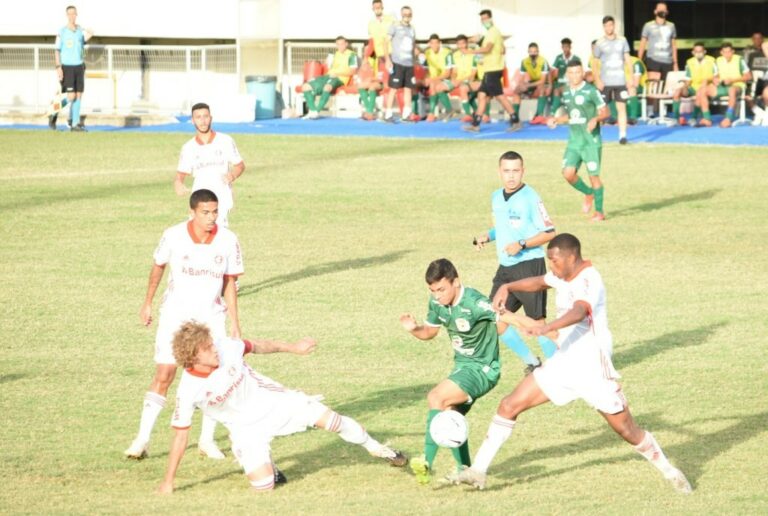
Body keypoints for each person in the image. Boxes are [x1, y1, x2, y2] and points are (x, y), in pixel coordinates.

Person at [454, 233, 693, 494]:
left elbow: (579, 311)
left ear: (571, 257)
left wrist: (548, 327)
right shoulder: (562, 273)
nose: (552, 268)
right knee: (509, 405)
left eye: (554, 262)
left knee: (627, 430)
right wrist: (508, 287)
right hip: (564, 362)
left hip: (592, 368)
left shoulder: (590, 279)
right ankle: (478, 471)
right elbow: (540, 282)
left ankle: (671, 472)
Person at [158, 321, 407, 494]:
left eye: (212, 343)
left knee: (332, 421)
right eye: (207, 348)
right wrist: (168, 482)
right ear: (193, 357)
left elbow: (259, 345)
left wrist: (294, 348)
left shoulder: (227, 348)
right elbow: (181, 435)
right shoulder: (188, 391)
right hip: (245, 429)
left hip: (274, 402)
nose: (214, 349)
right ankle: (270, 467)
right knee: (264, 486)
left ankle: (378, 449)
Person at [400, 258, 542, 485]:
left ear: (456, 282)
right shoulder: (437, 303)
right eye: (433, 290)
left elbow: (509, 318)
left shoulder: (475, 302)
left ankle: (426, 463)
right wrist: (414, 329)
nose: (437, 295)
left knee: (436, 397)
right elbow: (429, 333)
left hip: (483, 370)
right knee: (450, 412)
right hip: (462, 368)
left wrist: (544, 330)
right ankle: (465, 468)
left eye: (441, 289)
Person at [124, 189, 242, 461]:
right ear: (192, 212)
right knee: (165, 373)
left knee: (213, 377)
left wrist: (235, 323)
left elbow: (230, 282)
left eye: (215, 211)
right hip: (175, 316)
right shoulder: (173, 235)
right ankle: (142, 439)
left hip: (211, 318)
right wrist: (147, 302)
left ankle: (207, 440)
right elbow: (158, 266)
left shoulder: (228, 240)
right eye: (205, 212)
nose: (212, 217)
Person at [473, 151, 557, 373]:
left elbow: (549, 232)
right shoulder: (496, 197)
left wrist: (521, 243)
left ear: (523, 171)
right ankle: (533, 362)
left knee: (537, 324)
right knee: (496, 318)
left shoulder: (531, 197)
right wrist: (488, 236)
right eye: (506, 171)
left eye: (516, 171)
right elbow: (503, 226)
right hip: (505, 269)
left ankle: (558, 368)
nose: (511, 176)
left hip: (530, 266)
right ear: (499, 172)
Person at [547, 60, 609, 222]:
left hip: (591, 142)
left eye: (577, 72)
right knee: (568, 174)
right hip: (574, 141)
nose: (574, 76)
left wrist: (595, 119)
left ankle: (599, 213)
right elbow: (573, 116)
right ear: (567, 74)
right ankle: (589, 193)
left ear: (583, 73)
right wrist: (557, 120)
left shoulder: (591, 91)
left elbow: (605, 112)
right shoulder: (566, 92)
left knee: (593, 176)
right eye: (571, 73)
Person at [174, 103, 245, 229]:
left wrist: (232, 175)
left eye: (205, 116)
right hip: (199, 200)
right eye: (198, 117)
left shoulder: (225, 141)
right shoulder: (188, 147)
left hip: (221, 199)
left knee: (218, 238)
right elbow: (180, 174)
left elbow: (240, 165)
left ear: (211, 118)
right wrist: (178, 184)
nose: (203, 121)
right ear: (192, 120)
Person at [462, 9, 520, 133]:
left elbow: (487, 48)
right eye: (482, 19)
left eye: (486, 18)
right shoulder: (492, 33)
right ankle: (475, 124)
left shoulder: (492, 32)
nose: (484, 21)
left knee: (500, 97)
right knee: (482, 95)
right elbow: (501, 49)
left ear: (491, 18)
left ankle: (515, 120)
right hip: (491, 69)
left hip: (493, 70)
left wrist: (470, 51)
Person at [593, 16, 632, 144]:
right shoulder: (599, 43)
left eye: (611, 25)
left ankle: (622, 136)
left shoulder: (622, 40)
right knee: (601, 110)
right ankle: (597, 135)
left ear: (614, 25)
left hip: (620, 81)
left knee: (622, 108)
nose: (609, 28)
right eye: (606, 26)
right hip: (606, 81)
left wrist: (630, 78)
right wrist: (597, 79)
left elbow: (628, 59)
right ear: (603, 27)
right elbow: (595, 63)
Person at [54, 5, 93, 132]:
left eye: (74, 14)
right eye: (70, 14)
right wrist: (58, 67)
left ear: (77, 15)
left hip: (79, 66)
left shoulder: (79, 31)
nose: (72, 16)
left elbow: (82, 47)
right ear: (67, 15)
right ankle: (54, 111)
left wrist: (83, 62)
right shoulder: (62, 31)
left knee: (78, 95)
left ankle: (75, 124)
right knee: (71, 96)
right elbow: (57, 50)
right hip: (67, 67)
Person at [301, 36, 359, 119]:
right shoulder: (335, 54)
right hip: (328, 76)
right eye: (338, 44)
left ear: (346, 44)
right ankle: (312, 111)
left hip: (340, 79)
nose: (340, 46)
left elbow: (352, 71)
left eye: (342, 44)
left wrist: (336, 72)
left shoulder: (352, 55)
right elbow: (329, 67)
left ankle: (316, 111)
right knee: (305, 87)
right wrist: (327, 63)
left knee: (327, 87)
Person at [383, 6, 422, 123]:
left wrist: (418, 56)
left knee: (408, 89)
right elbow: (386, 42)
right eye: (405, 14)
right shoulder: (395, 26)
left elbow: (413, 45)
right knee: (394, 89)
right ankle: (388, 115)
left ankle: (406, 114)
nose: (407, 16)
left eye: (409, 14)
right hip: (397, 63)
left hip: (409, 64)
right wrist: (387, 59)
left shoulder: (412, 29)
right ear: (401, 14)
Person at [672, 42, 717, 126]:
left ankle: (693, 118)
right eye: (696, 51)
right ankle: (675, 119)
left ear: (704, 51)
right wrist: (685, 86)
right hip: (692, 87)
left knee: (700, 93)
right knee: (677, 92)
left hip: (706, 87)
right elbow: (688, 78)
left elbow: (716, 76)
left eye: (700, 51)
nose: (698, 53)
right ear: (693, 52)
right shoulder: (689, 62)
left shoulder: (712, 60)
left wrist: (707, 80)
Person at [713, 42, 752, 128]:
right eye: (725, 52)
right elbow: (715, 76)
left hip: (738, 86)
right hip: (722, 86)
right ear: (721, 52)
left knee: (732, 90)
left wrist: (732, 80)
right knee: (703, 90)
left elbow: (749, 76)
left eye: (729, 51)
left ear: (733, 51)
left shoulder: (739, 59)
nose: (727, 54)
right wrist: (715, 80)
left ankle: (728, 118)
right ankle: (706, 119)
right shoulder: (718, 60)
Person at [637, 2, 678, 83]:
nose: (662, 11)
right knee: (653, 86)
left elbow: (673, 45)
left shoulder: (671, 26)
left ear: (667, 12)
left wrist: (675, 63)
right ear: (655, 11)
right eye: (660, 9)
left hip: (668, 61)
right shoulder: (648, 25)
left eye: (664, 9)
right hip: (653, 60)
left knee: (667, 87)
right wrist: (639, 60)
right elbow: (642, 44)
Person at [515, 43, 552, 125]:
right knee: (516, 90)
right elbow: (521, 78)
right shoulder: (524, 61)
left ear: (538, 52)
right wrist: (521, 85)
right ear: (528, 51)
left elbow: (542, 81)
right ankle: (514, 117)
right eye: (531, 51)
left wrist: (527, 85)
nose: (533, 53)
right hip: (533, 82)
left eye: (535, 51)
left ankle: (539, 116)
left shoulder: (543, 61)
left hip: (543, 82)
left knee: (542, 88)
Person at [424, 34, 454, 121]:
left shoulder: (447, 53)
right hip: (435, 79)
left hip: (448, 79)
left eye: (436, 43)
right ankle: (431, 113)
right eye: (432, 43)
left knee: (435, 85)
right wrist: (426, 79)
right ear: (429, 44)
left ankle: (433, 113)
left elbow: (448, 74)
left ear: (440, 43)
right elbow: (426, 69)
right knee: (426, 84)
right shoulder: (427, 52)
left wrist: (432, 79)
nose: (434, 45)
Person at [451, 34, 480, 122]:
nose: (461, 46)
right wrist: (453, 79)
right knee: (440, 87)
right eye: (459, 44)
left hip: (471, 80)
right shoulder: (455, 55)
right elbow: (454, 71)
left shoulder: (473, 53)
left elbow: (473, 74)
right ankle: (449, 111)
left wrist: (461, 80)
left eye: (463, 43)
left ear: (467, 43)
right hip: (459, 81)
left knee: (464, 88)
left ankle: (468, 114)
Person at [357, 41, 386, 121]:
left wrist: (372, 79)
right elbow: (362, 75)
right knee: (360, 86)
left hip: (380, 83)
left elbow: (382, 77)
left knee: (372, 87)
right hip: (370, 82)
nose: (367, 52)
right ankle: (369, 111)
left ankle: (369, 113)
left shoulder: (380, 59)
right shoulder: (367, 60)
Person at [550, 38, 579, 117]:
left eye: (567, 47)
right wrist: (551, 83)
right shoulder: (558, 58)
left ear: (570, 47)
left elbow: (579, 73)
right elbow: (552, 71)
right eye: (564, 47)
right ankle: (552, 114)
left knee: (565, 91)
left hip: (571, 84)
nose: (565, 49)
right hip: (559, 84)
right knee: (556, 90)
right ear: (561, 47)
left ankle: (570, 114)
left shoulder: (576, 58)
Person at [625, 54, 647, 123]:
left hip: (640, 86)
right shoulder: (616, 62)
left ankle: (633, 117)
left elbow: (636, 83)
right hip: (624, 86)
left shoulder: (636, 62)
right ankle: (614, 118)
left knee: (632, 90)